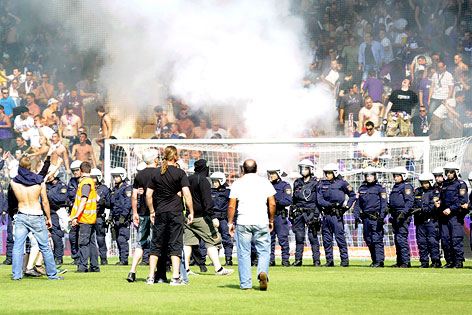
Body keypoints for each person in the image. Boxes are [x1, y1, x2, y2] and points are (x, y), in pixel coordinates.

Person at [145, 145, 194, 286]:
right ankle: (175, 277)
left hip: (160, 212)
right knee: (175, 243)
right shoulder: (180, 173)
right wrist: (191, 212)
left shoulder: (156, 173)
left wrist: (152, 211)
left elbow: (148, 195)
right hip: (176, 212)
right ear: (175, 157)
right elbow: (186, 194)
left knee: (156, 244)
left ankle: (150, 277)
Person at [10, 156, 63, 280]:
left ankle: (17, 275)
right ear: (30, 167)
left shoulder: (14, 182)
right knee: (45, 247)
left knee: (18, 246)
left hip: (22, 214)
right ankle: (53, 275)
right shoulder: (39, 181)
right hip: (36, 215)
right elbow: (45, 201)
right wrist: (48, 218)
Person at [228, 159, 275, 291]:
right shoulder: (265, 182)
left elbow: (232, 205)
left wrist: (230, 222)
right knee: (264, 251)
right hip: (261, 221)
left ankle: (246, 285)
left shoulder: (237, 183)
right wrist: (271, 220)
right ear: (257, 168)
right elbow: (272, 203)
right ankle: (262, 272)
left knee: (243, 253)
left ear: (242, 169)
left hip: (243, 221)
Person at [183, 159, 233, 276]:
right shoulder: (204, 181)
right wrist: (212, 216)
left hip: (188, 217)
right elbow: (207, 201)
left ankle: (185, 269)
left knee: (188, 243)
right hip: (201, 217)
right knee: (212, 240)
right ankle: (218, 268)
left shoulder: (188, 179)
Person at [127, 149, 158, 282]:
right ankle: (152, 274)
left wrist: (135, 213)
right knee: (155, 245)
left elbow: (134, 196)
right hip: (156, 214)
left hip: (143, 213)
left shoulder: (139, 175)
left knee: (140, 244)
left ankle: (132, 271)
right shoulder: (159, 173)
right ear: (155, 159)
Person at [317, 163, 356, 267]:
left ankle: (344, 260)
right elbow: (319, 200)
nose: (327, 175)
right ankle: (329, 260)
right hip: (326, 214)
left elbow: (352, 195)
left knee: (340, 237)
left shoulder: (342, 183)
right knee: (326, 239)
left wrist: (347, 207)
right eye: (326, 173)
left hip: (337, 215)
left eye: (329, 173)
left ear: (335, 173)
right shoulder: (321, 184)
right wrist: (329, 204)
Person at [353, 167, 387, 267]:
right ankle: (374, 260)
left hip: (376, 218)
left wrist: (382, 217)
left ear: (375, 177)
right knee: (368, 239)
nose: (368, 178)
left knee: (377, 239)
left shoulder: (380, 188)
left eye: (371, 176)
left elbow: (383, 204)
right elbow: (357, 204)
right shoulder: (362, 188)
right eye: (367, 176)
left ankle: (379, 261)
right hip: (366, 218)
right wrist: (356, 216)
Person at [70, 161, 99, 273]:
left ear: (80, 171)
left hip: (85, 217)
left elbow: (83, 200)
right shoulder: (90, 181)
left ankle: (82, 266)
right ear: (90, 170)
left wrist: (76, 216)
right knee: (91, 242)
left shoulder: (85, 182)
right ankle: (94, 266)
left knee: (83, 243)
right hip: (90, 217)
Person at [290, 159, 320, 267]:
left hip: (311, 212)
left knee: (313, 237)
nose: (303, 170)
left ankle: (316, 260)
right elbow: (294, 199)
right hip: (299, 213)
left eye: (306, 168)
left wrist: (316, 215)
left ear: (311, 169)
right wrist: (292, 212)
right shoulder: (297, 182)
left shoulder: (316, 183)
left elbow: (318, 200)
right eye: (302, 168)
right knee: (299, 237)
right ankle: (298, 260)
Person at [439, 162, 468, 269]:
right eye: (447, 172)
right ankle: (449, 261)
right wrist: (439, 203)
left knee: (456, 239)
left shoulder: (461, 184)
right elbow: (442, 198)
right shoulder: (445, 184)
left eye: (451, 172)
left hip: (455, 216)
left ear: (456, 172)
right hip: (444, 216)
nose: (448, 174)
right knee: (445, 239)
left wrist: (451, 209)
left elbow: (462, 201)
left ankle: (458, 262)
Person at [413, 173, 441, 268]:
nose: (424, 185)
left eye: (426, 183)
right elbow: (413, 203)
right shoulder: (417, 191)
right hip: (419, 220)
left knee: (432, 241)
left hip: (431, 220)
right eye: (422, 183)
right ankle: (424, 262)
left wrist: (421, 210)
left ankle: (435, 261)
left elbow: (434, 206)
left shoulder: (436, 192)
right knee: (421, 242)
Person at [388, 166, 414, 268]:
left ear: (403, 176)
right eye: (395, 176)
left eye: (397, 176)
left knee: (401, 238)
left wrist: (403, 213)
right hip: (395, 215)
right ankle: (399, 261)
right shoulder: (395, 187)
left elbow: (409, 201)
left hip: (402, 216)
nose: (395, 178)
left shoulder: (406, 186)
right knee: (397, 239)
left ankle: (406, 262)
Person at [266, 166, 292, 267]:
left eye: (273, 173)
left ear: (278, 174)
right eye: (270, 173)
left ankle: (285, 260)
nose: (271, 176)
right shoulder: (267, 185)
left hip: (280, 216)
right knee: (269, 240)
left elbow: (288, 201)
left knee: (283, 239)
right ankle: (271, 260)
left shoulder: (285, 185)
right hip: (269, 216)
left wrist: (274, 202)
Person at [209, 171, 234, 266]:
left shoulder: (227, 192)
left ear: (221, 181)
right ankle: (214, 260)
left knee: (226, 238)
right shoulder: (210, 192)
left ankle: (228, 259)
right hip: (213, 218)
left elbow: (232, 206)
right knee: (214, 239)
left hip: (223, 219)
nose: (214, 184)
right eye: (213, 182)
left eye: (216, 182)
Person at [46, 166, 68, 265]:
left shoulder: (62, 185)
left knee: (56, 236)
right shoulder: (46, 185)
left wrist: (48, 196)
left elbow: (62, 198)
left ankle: (59, 257)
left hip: (56, 213)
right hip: (46, 213)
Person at [110, 167, 132, 265]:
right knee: (117, 238)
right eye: (114, 176)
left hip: (123, 217)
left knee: (122, 238)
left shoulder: (127, 188)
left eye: (117, 176)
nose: (115, 178)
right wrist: (110, 216)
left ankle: (124, 259)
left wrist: (124, 216)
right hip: (116, 217)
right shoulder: (114, 189)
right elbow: (113, 204)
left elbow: (128, 203)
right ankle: (121, 259)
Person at [90, 168, 110, 265]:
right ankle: (92, 260)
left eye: (93, 178)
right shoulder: (87, 187)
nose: (92, 180)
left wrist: (103, 202)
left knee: (100, 238)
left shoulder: (104, 189)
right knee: (89, 239)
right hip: (89, 216)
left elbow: (110, 204)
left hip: (98, 217)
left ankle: (103, 258)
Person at [67, 160, 82, 265]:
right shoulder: (71, 181)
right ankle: (76, 257)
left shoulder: (87, 181)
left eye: (77, 170)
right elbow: (68, 195)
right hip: (73, 213)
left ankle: (84, 258)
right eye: (73, 171)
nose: (75, 172)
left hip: (84, 213)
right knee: (73, 236)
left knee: (84, 237)